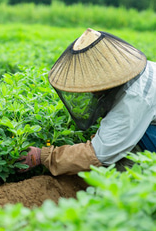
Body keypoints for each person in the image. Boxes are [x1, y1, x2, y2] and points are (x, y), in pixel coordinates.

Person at [18, 28, 156, 175]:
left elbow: (100, 154)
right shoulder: (141, 71)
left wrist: (44, 156)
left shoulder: (134, 98)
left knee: (123, 163)